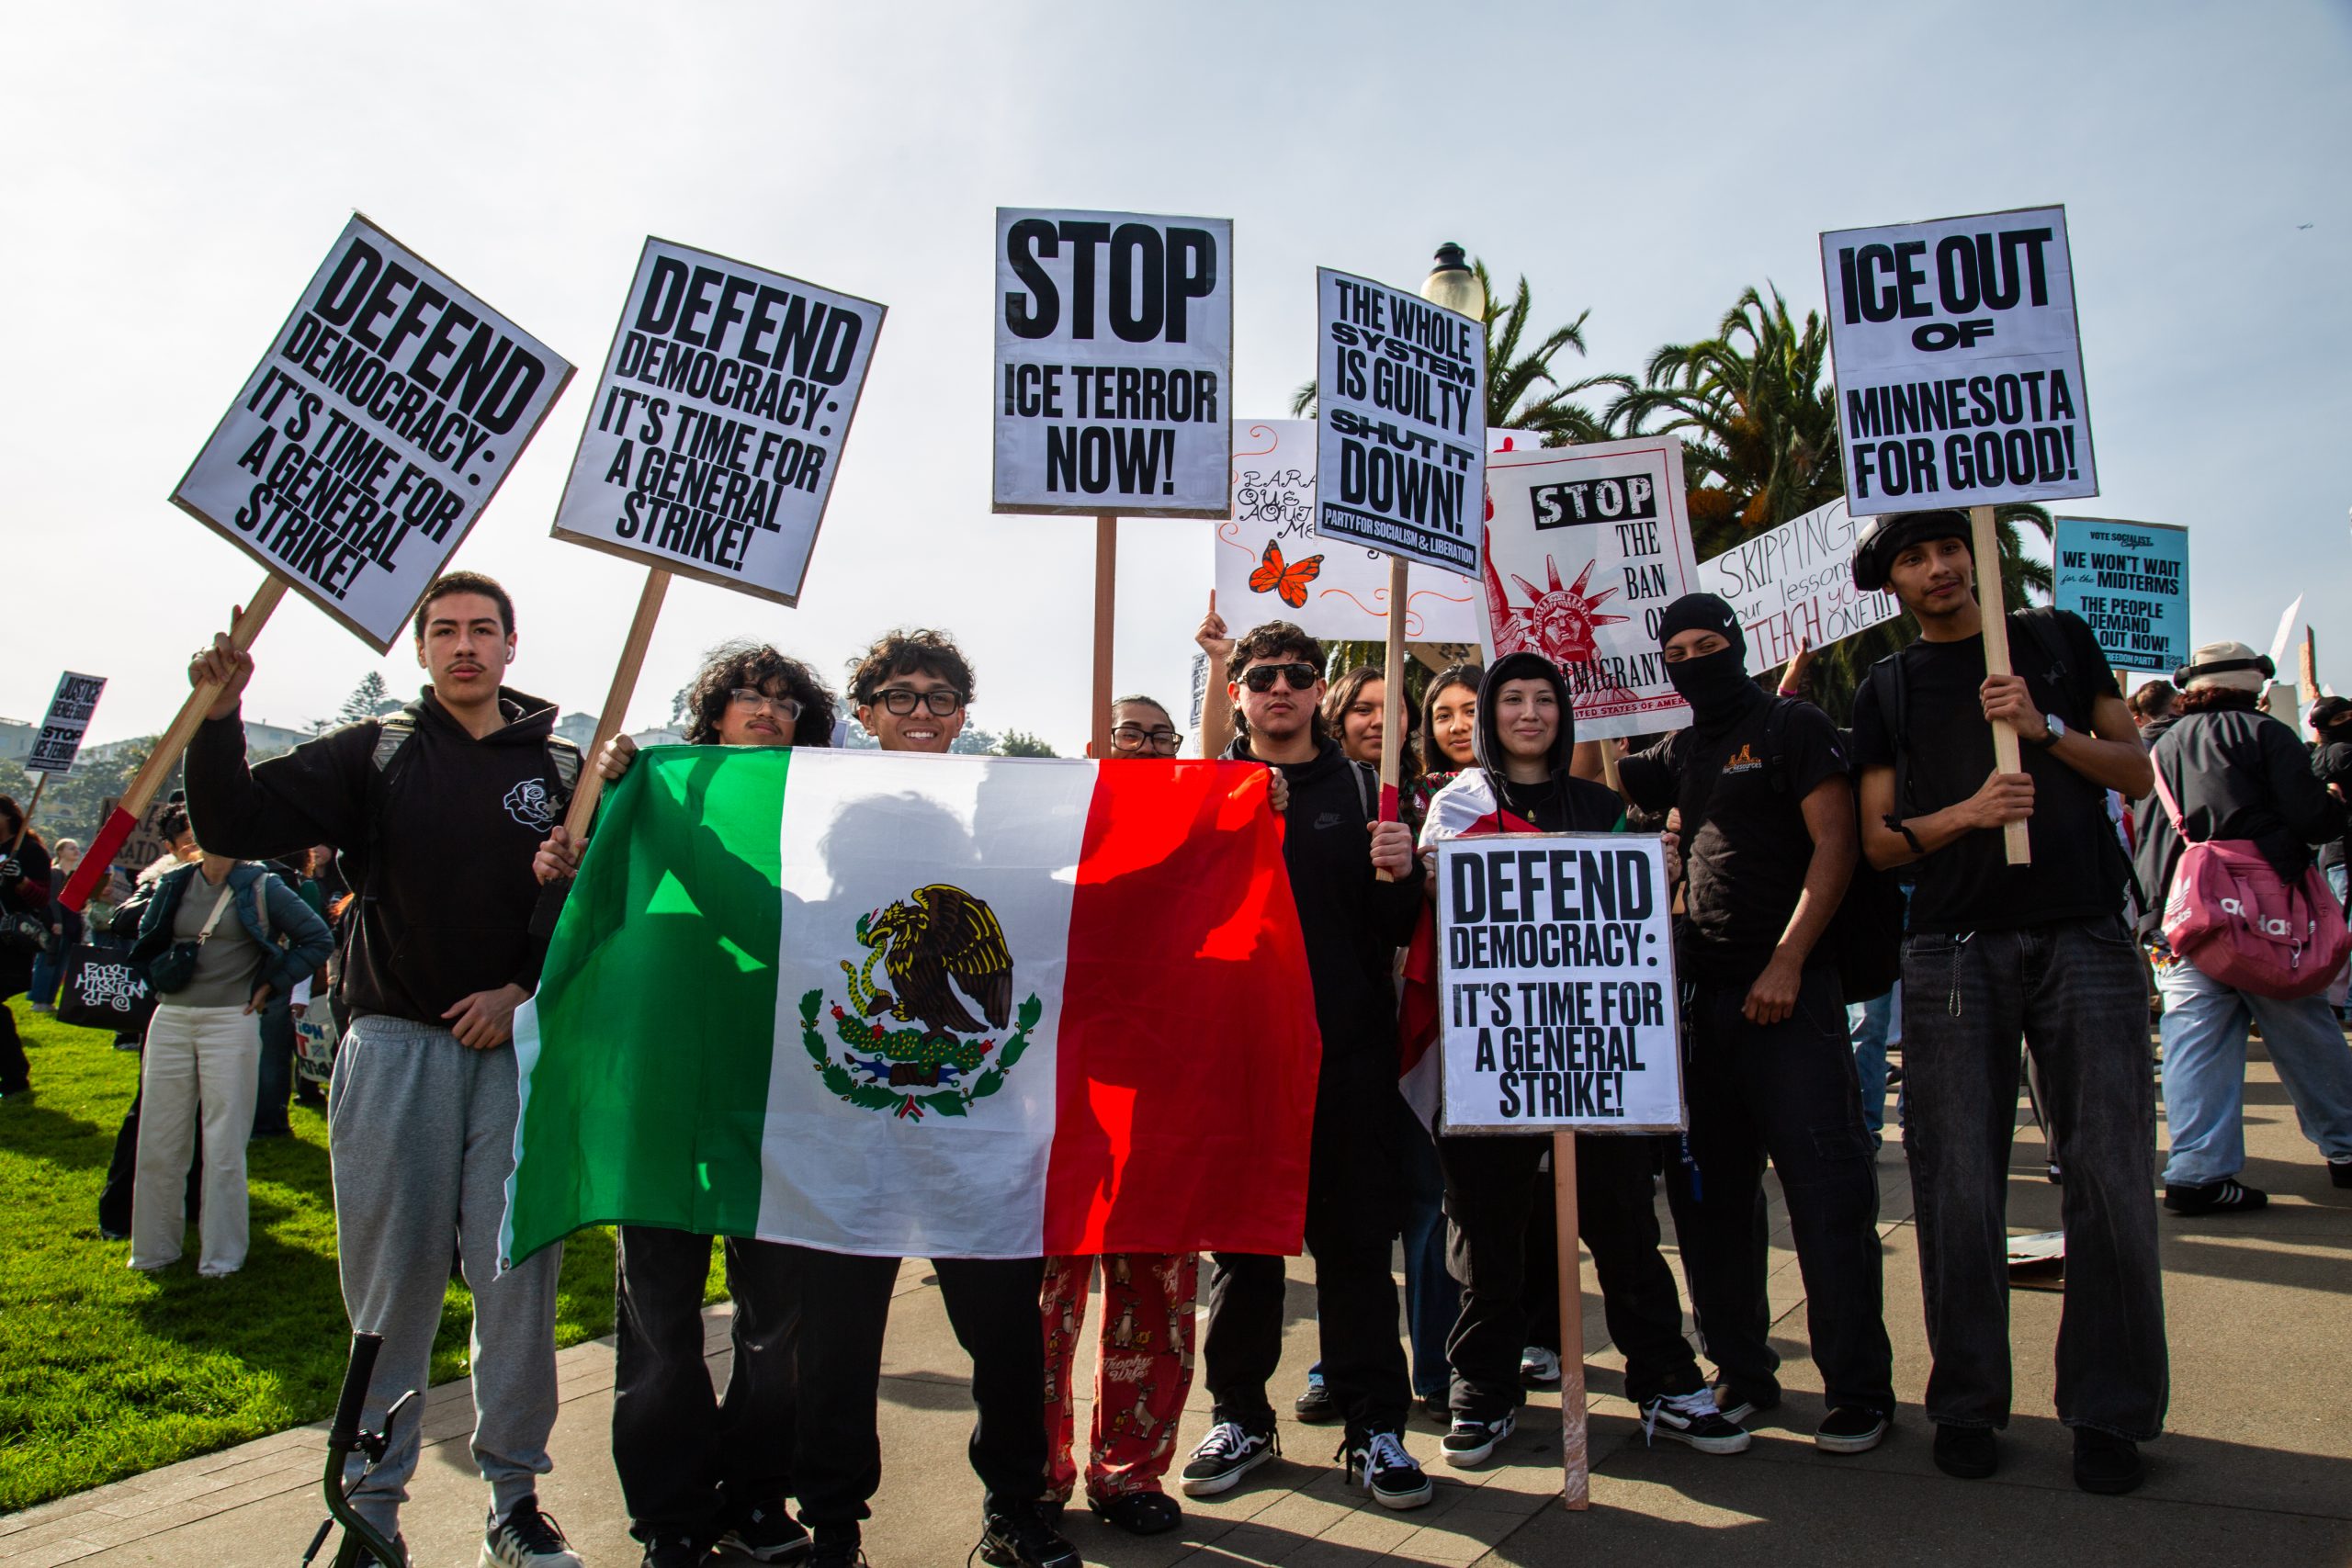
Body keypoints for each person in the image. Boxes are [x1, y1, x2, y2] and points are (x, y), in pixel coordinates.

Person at [184, 570, 589, 1568]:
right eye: (443, 631)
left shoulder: (571, 766)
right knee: (391, 1287)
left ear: (511, 644)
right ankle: (371, 1506)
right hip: (396, 1045)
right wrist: (219, 713)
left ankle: (513, 1501)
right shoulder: (377, 753)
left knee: (515, 1281)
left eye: (482, 630)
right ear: (418, 650)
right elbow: (232, 825)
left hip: (515, 1052)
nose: (464, 646)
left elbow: (597, 922)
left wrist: (522, 991)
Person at [1847, 510, 2161, 1496]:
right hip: (1951, 952)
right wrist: (1972, 813)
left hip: (2086, 938)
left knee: (2108, 1177)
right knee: (1956, 1183)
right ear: (1891, 583)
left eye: (1950, 548)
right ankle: (1967, 1400)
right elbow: (1880, 841)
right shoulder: (1887, 687)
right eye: (1913, 557)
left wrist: (2046, 729)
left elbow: (2138, 771)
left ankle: (2108, 1413)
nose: (1937, 567)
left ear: (1980, 555)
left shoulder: (2059, 642)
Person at [767, 629, 1076, 1568]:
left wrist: (1220, 809)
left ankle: (1015, 1507)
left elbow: (1096, 899)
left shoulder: (993, 847)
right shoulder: (806, 828)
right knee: (834, 1345)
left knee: (1004, 1340)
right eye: (897, 696)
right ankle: (831, 1521)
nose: (919, 712)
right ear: (861, 711)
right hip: (840, 1141)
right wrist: (625, 794)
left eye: (940, 698)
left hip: (976, 1138)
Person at [538, 641, 837, 1568]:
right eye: (750, 696)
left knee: (776, 1313)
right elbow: (591, 901)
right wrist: (614, 799)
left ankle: (755, 1497)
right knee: (658, 1311)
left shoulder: (827, 810)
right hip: (661, 1080)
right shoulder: (654, 789)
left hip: (779, 1082)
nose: (768, 712)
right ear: (711, 713)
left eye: (787, 704)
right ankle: (669, 1512)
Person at [1412, 652, 1743, 1468]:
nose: (1529, 713)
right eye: (1512, 698)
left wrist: (1653, 874)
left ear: (1564, 713)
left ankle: (1665, 1381)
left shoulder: (1602, 807)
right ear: (1489, 715)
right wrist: (1428, 878)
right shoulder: (1459, 807)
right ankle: (1483, 1393)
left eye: (1544, 699)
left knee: (1625, 1228)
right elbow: (1437, 917)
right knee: (1488, 1238)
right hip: (1493, 1057)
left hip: (1594, 1057)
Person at [1618, 593, 1895, 1454]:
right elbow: (1599, 784)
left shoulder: (1793, 725)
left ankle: (1858, 1389)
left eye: (1709, 644)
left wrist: (1789, 958)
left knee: (1827, 1194)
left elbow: (1837, 844)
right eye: (1677, 650)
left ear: (1737, 646)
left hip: (1790, 998)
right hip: (1703, 1008)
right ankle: (1741, 1370)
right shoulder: (1680, 747)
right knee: (1710, 1204)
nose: (1693, 659)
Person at [1182, 620, 1438, 1511]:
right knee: (1244, 1248)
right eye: (1262, 676)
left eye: (1296, 674)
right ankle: (1242, 1415)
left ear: (1316, 688)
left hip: (1345, 1054)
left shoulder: (1366, 787)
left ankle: (1375, 1429)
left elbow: (1395, 931)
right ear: (1241, 692)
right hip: (1242, 1055)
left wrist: (1401, 874)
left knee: (1355, 1247)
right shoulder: (1214, 790)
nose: (1279, 689)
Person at [1031, 695, 1201, 1540]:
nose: (1140, 745)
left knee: (1152, 1291)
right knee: (1040, 1295)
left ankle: (1129, 1470)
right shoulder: (1042, 823)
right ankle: (1035, 1469)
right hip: (1053, 1097)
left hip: (1159, 1095)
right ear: (1092, 742)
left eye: (1157, 735)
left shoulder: (1203, 830)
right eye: (1124, 732)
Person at [2133, 642, 2352, 1211]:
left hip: (2185, 914)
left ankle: (2198, 1173)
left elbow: (2154, 837)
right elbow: (2311, 817)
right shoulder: (2265, 733)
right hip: (2262, 913)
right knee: (2304, 1025)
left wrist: (2155, 918)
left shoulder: (2161, 746)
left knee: (2192, 1041)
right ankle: (2347, 1147)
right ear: (2254, 684)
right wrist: (2334, 805)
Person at [123, 838, 331, 1275]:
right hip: (172, 1016)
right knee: (158, 1140)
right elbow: (145, 938)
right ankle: (152, 1251)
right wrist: (159, 975)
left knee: (223, 1144)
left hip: (230, 1020)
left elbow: (316, 937)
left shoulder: (262, 885)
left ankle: (221, 1258)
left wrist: (271, 985)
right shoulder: (175, 882)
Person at [0, 796, 54, 1101]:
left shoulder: (30, 851)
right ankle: (13, 1073)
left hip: (10, 944)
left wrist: (20, 880)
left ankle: (15, 1076)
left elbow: (41, 899)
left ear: (7, 816)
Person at [28, 836, 82, 1012]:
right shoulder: (55, 873)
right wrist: (57, 921)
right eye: (70, 848)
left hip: (70, 925)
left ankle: (49, 1000)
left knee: (61, 964)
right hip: (55, 923)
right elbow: (52, 900)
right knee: (48, 961)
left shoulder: (73, 876)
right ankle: (39, 1000)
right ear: (60, 852)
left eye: (76, 848)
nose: (76, 851)